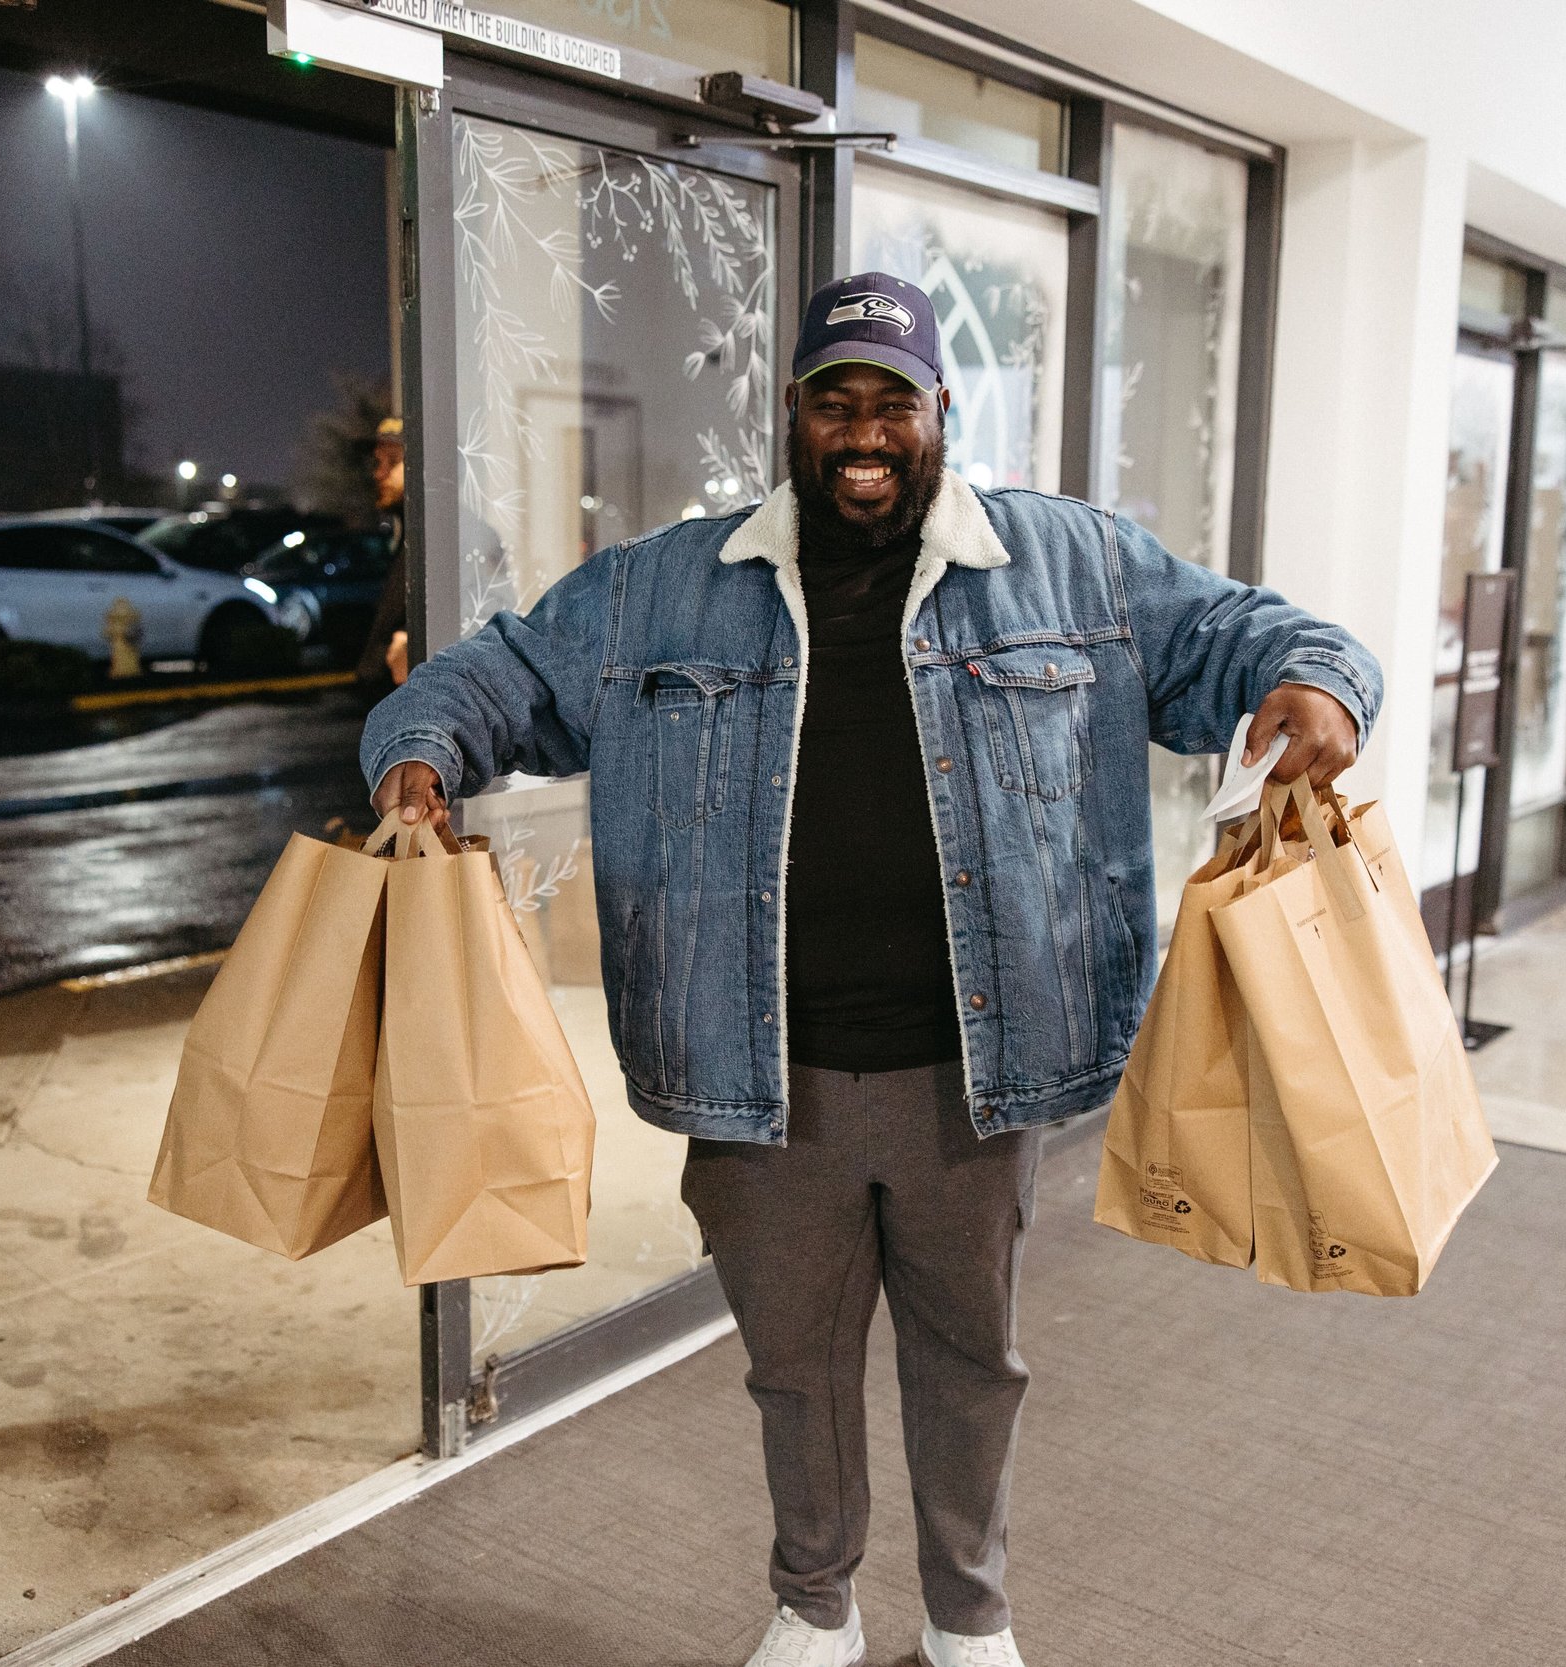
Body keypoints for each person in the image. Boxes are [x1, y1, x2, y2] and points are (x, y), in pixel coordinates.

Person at [361, 272, 1380, 1667]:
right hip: (752, 1066)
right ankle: (815, 1603)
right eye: (834, 401)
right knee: (795, 1367)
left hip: (976, 1060)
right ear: (793, 415)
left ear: (938, 414)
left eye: (891, 403)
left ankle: (971, 1614)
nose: (863, 430)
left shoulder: (1068, 563)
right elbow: (497, 677)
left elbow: (1245, 635)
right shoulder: (665, 585)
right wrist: (418, 747)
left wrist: (1322, 682)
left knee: (973, 1361)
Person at [356, 414, 412, 690]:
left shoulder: (443, 541)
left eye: (393, 462)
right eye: (379, 463)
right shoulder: (410, 537)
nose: (379, 473)